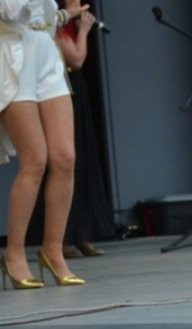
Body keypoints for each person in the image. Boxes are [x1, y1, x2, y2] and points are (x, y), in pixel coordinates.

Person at [0, 0, 88, 289]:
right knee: (34, 160)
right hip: (13, 51)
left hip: (46, 52)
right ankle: (14, 254)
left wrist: (65, 14)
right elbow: (11, 11)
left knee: (65, 158)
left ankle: (53, 249)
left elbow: (42, 13)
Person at [51, 0, 114, 259]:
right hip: (60, 89)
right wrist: (84, 32)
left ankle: (83, 234)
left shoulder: (64, 27)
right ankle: (61, 240)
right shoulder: (54, 25)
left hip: (77, 90)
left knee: (82, 163)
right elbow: (76, 59)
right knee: (63, 164)